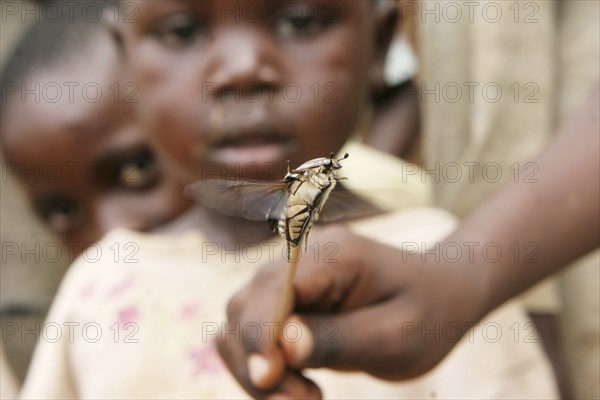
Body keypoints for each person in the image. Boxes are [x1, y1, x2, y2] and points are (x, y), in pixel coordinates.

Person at [18, 0, 559, 398]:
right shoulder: (101, 286)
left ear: (379, 39)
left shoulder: (437, 262)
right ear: (126, 58)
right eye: (183, 31)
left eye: (300, 21)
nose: (244, 68)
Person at [0, 7, 192, 392]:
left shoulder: (324, 262)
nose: (112, 233)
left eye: (137, 169)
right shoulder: (87, 322)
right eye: (64, 212)